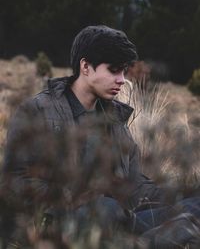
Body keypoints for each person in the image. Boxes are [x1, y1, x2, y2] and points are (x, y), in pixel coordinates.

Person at [2, 25, 200, 248]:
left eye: (124, 71)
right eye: (114, 70)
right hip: (66, 223)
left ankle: (152, 239)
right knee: (108, 210)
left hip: (124, 219)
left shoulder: (114, 119)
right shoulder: (37, 111)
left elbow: (134, 186)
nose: (121, 80)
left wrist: (177, 195)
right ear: (85, 66)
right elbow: (15, 182)